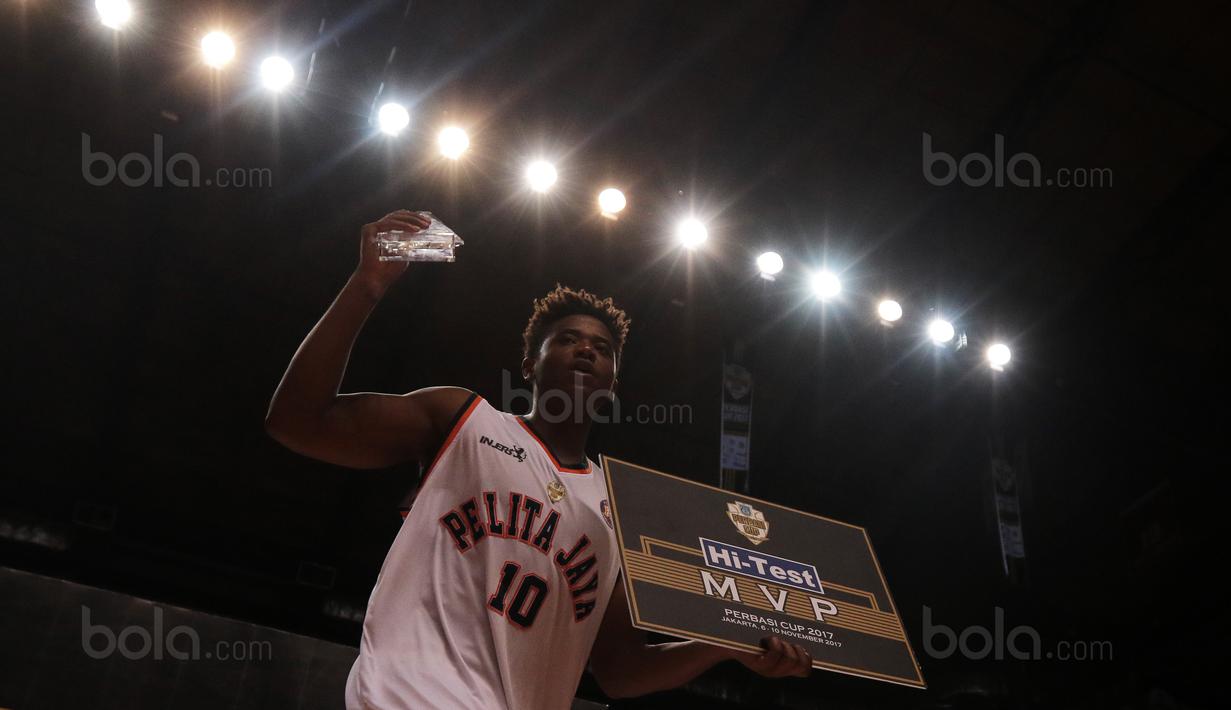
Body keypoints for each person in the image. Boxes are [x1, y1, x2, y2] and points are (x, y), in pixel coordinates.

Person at [265, 210, 813, 709]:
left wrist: (724, 647)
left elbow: (621, 672)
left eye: (602, 349)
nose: (587, 349)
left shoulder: (617, 513)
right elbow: (298, 422)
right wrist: (366, 286)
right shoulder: (463, 420)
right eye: (569, 340)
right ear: (530, 364)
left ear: (613, 384)